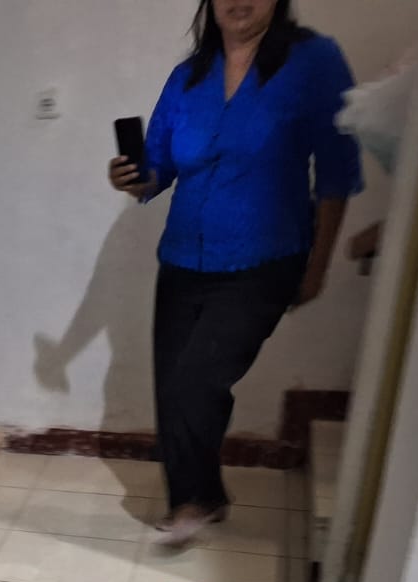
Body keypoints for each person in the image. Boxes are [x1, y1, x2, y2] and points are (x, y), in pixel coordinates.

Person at [110, 0, 362, 545]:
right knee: (174, 387)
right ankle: (196, 499)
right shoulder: (188, 77)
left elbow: (337, 172)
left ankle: (198, 499)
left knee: (197, 379)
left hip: (264, 260)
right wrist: (132, 178)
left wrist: (317, 267)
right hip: (183, 259)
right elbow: (158, 169)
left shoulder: (313, 61)